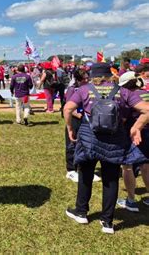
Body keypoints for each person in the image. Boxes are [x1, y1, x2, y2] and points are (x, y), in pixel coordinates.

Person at [63, 63, 149, 234]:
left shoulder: (84, 89)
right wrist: (136, 127)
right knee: (111, 179)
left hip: (89, 138)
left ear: (92, 75)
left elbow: (68, 108)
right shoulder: (122, 91)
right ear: (110, 74)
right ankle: (107, 221)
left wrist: (71, 129)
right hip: (114, 140)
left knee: (85, 174)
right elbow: (146, 110)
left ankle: (81, 212)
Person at [117, 71, 149, 211]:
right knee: (146, 166)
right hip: (147, 132)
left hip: (133, 134)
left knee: (127, 166)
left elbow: (123, 119)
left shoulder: (130, 97)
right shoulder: (146, 93)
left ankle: (130, 200)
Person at [63, 69, 101, 183]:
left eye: (87, 78)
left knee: (86, 143)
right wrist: (78, 114)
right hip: (75, 120)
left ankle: (84, 169)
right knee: (72, 144)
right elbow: (68, 107)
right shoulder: (72, 89)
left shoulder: (90, 88)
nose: (86, 80)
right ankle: (71, 170)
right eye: (83, 78)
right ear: (78, 80)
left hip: (87, 120)